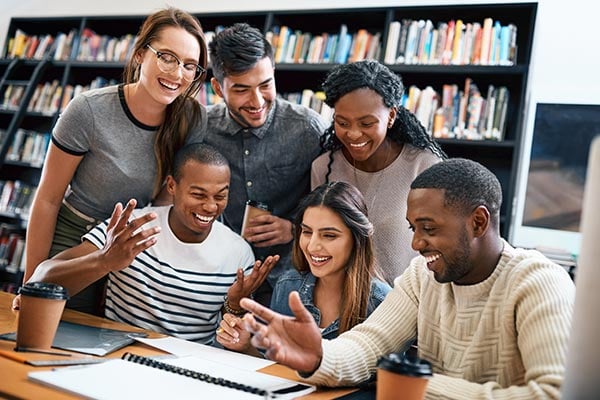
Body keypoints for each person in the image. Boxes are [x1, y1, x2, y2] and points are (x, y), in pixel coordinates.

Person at [241, 158, 576, 399]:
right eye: (413, 229)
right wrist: (319, 358)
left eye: (428, 229)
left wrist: (415, 388)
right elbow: (369, 344)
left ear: (478, 222)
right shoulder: (421, 277)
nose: (416, 244)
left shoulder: (539, 282)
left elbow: (552, 394)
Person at [18, 7, 209, 314]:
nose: (177, 74)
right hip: (74, 241)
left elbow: (167, 193)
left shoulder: (192, 118)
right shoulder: (87, 111)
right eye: (167, 57)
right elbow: (48, 199)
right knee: (57, 337)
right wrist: (32, 283)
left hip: (132, 246)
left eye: (190, 65)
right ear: (139, 55)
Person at [28, 143, 279, 344]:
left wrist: (234, 307)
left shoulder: (238, 253)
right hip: (120, 355)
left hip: (192, 368)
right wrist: (104, 260)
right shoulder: (132, 226)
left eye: (220, 196)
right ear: (172, 186)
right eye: (198, 195)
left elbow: (232, 339)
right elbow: (40, 280)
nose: (211, 206)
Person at [201, 22, 327, 306]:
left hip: (291, 277)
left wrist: (294, 228)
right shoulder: (201, 129)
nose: (257, 101)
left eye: (265, 85)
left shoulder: (309, 129)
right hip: (221, 274)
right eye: (242, 90)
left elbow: (335, 205)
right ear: (218, 89)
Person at [312, 60, 446, 285]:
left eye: (366, 123)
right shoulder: (324, 168)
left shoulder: (424, 166)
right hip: (342, 301)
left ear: (391, 116)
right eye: (342, 122)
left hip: (407, 302)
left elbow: (441, 244)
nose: (353, 134)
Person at [216, 181, 391, 355]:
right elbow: (275, 367)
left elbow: (387, 379)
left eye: (329, 235)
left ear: (357, 240)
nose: (312, 246)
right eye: (307, 232)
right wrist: (247, 346)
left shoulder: (382, 302)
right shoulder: (287, 286)